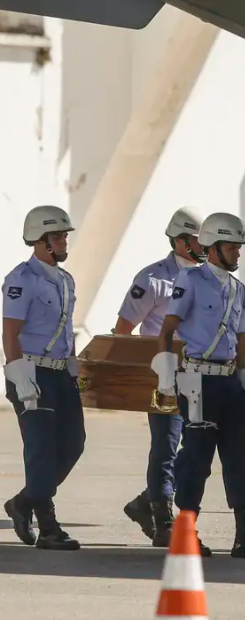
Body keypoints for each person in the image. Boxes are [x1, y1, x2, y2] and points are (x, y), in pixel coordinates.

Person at [152, 212, 245, 559]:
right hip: (197, 380)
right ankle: (184, 531)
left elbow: (242, 339)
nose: (238, 254)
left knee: (237, 458)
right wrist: (167, 377)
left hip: (228, 382)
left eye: (239, 248)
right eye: (232, 247)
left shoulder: (238, 289)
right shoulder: (191, 280)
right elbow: (167, 330)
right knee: (197, 458)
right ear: (213, 247)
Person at [118, 207, 205, 547]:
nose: (205, 247)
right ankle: (161, 516)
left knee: (197, 448)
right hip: (162, 377)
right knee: (166, 446)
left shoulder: (206, 279)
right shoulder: (151, 280)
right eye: (199, 241)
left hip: (197, 376)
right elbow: (124, 329)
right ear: (182, 241)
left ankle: (146, 501)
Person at [2, 205, 85, 551]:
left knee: (73, 445)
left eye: (65, 235)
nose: (64, 241)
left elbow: (64, 329)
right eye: (58, 236)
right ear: (40, 241)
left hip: (60, 374)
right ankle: (48, 525)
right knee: (40, 450)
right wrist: (19, 376)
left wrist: (73, 365)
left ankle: (23, 502)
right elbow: (10, 333)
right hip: (31, 373)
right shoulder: (21, 279)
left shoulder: (65, 280)